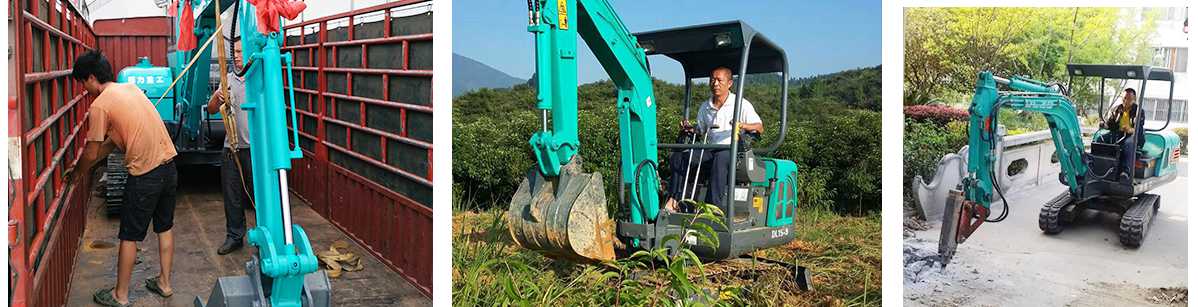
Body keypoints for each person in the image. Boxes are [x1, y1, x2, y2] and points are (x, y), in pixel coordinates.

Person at [67, 50, 178, 307]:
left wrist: (76, 173)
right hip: (169, 167)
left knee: (129, 235)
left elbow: (93, 150)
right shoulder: (130, 89)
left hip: (146, 174)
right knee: (164, 227)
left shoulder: (100, 105)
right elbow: (111, 144)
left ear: (92, 78)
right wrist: (88, 163)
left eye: (83, 83)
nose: (84, 89)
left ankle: (121, 295)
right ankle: (164, 283)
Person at [664, 66, 763, 211]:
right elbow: (700, 130)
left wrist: (741, 125)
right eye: (712, 80)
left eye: (719, 80)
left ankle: (711, 208)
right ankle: (675, 199)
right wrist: (690, 129)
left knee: (721, 158)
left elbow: (760, 127)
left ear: (729, 83)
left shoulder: (741, 104)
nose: (715, 83)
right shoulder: (706, 106)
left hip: (733, 150)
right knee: (679, 156)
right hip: (709, 148)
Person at [206, 44, 255, 255]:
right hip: (231, 148)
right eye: (234, 52)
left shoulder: (259, 79)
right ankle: (235, 237)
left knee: (259, 196)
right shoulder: (228, 80)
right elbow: (210, 108)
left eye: (241, 51)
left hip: (256, 150)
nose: (236, 56)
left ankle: (267, 238)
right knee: (232, 195)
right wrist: (218, 98)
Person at [1099, 87, 1144, 179]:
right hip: (1118, 134)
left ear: (1134, 99)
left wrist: (1130, 129)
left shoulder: (1139, 111)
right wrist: (1104, 125)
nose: (1126, 101)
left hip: (1133, 135)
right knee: (1099, 139)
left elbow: (1138, 128)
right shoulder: (1117, 109)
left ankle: (1126, 172)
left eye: (1129, 99)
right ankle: (1098, 166)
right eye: (1124, 98)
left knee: (1128, 143)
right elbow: (1110, 125)